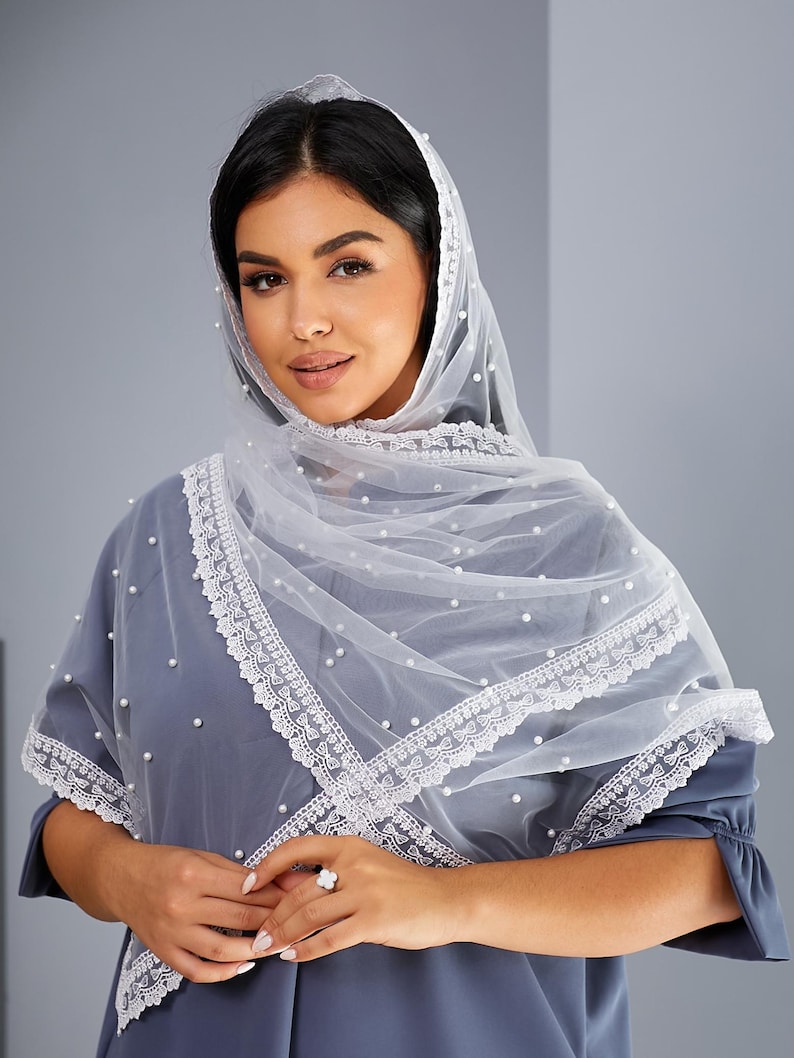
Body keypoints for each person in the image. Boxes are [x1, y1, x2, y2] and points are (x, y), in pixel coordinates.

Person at [20, 74, 789, 1058]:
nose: (303, 320)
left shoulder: (563, 542)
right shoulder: (168, 534)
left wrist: (441, 900)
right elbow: (74, 813)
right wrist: (124, 878)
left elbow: (708, 871)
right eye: (264, 279)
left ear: (436, 267)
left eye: (348, 265)